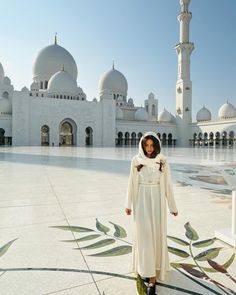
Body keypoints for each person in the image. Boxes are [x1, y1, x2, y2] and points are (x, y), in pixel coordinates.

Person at [125, 131, 178, 295]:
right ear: (142, 146)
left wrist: (172, 206)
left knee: (155, 236)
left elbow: (168, 184)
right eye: (146, 145)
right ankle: (146, 271)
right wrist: (128, 204)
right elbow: (131, 183)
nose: (149, 148)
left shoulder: (162, 160)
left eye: (152, 145)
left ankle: (153, 277)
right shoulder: (136, 160)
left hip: (157, 201)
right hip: (141, 200)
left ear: (156, 145)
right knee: (144, 236)